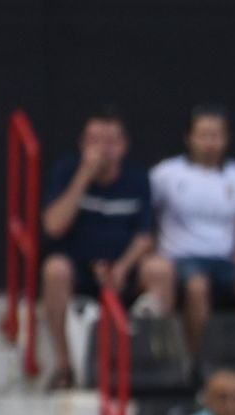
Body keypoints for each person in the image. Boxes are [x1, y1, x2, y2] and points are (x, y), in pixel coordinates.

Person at [39, 108, 161, 388]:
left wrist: (123, 267)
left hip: (123, 269)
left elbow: (146, 236)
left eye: (111, 141)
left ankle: (150, 366)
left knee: (160, 269)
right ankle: (64, 366)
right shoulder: (67, 171)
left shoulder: (137, 178)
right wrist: (83, 176)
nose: (103, 150)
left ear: (124, 146)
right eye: (95, 141)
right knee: (54, 270)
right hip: (79, 270)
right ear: (82, 145)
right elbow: (54, 226)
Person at [147, 106, 235, 354]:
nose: (210, 142)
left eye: (216, 135)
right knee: (197, 286)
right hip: (180, 259)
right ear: (189, 138)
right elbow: (149, 221)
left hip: (224, 261)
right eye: (203, 135)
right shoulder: (165, 174)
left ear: (226, 139)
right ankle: (202, 359)